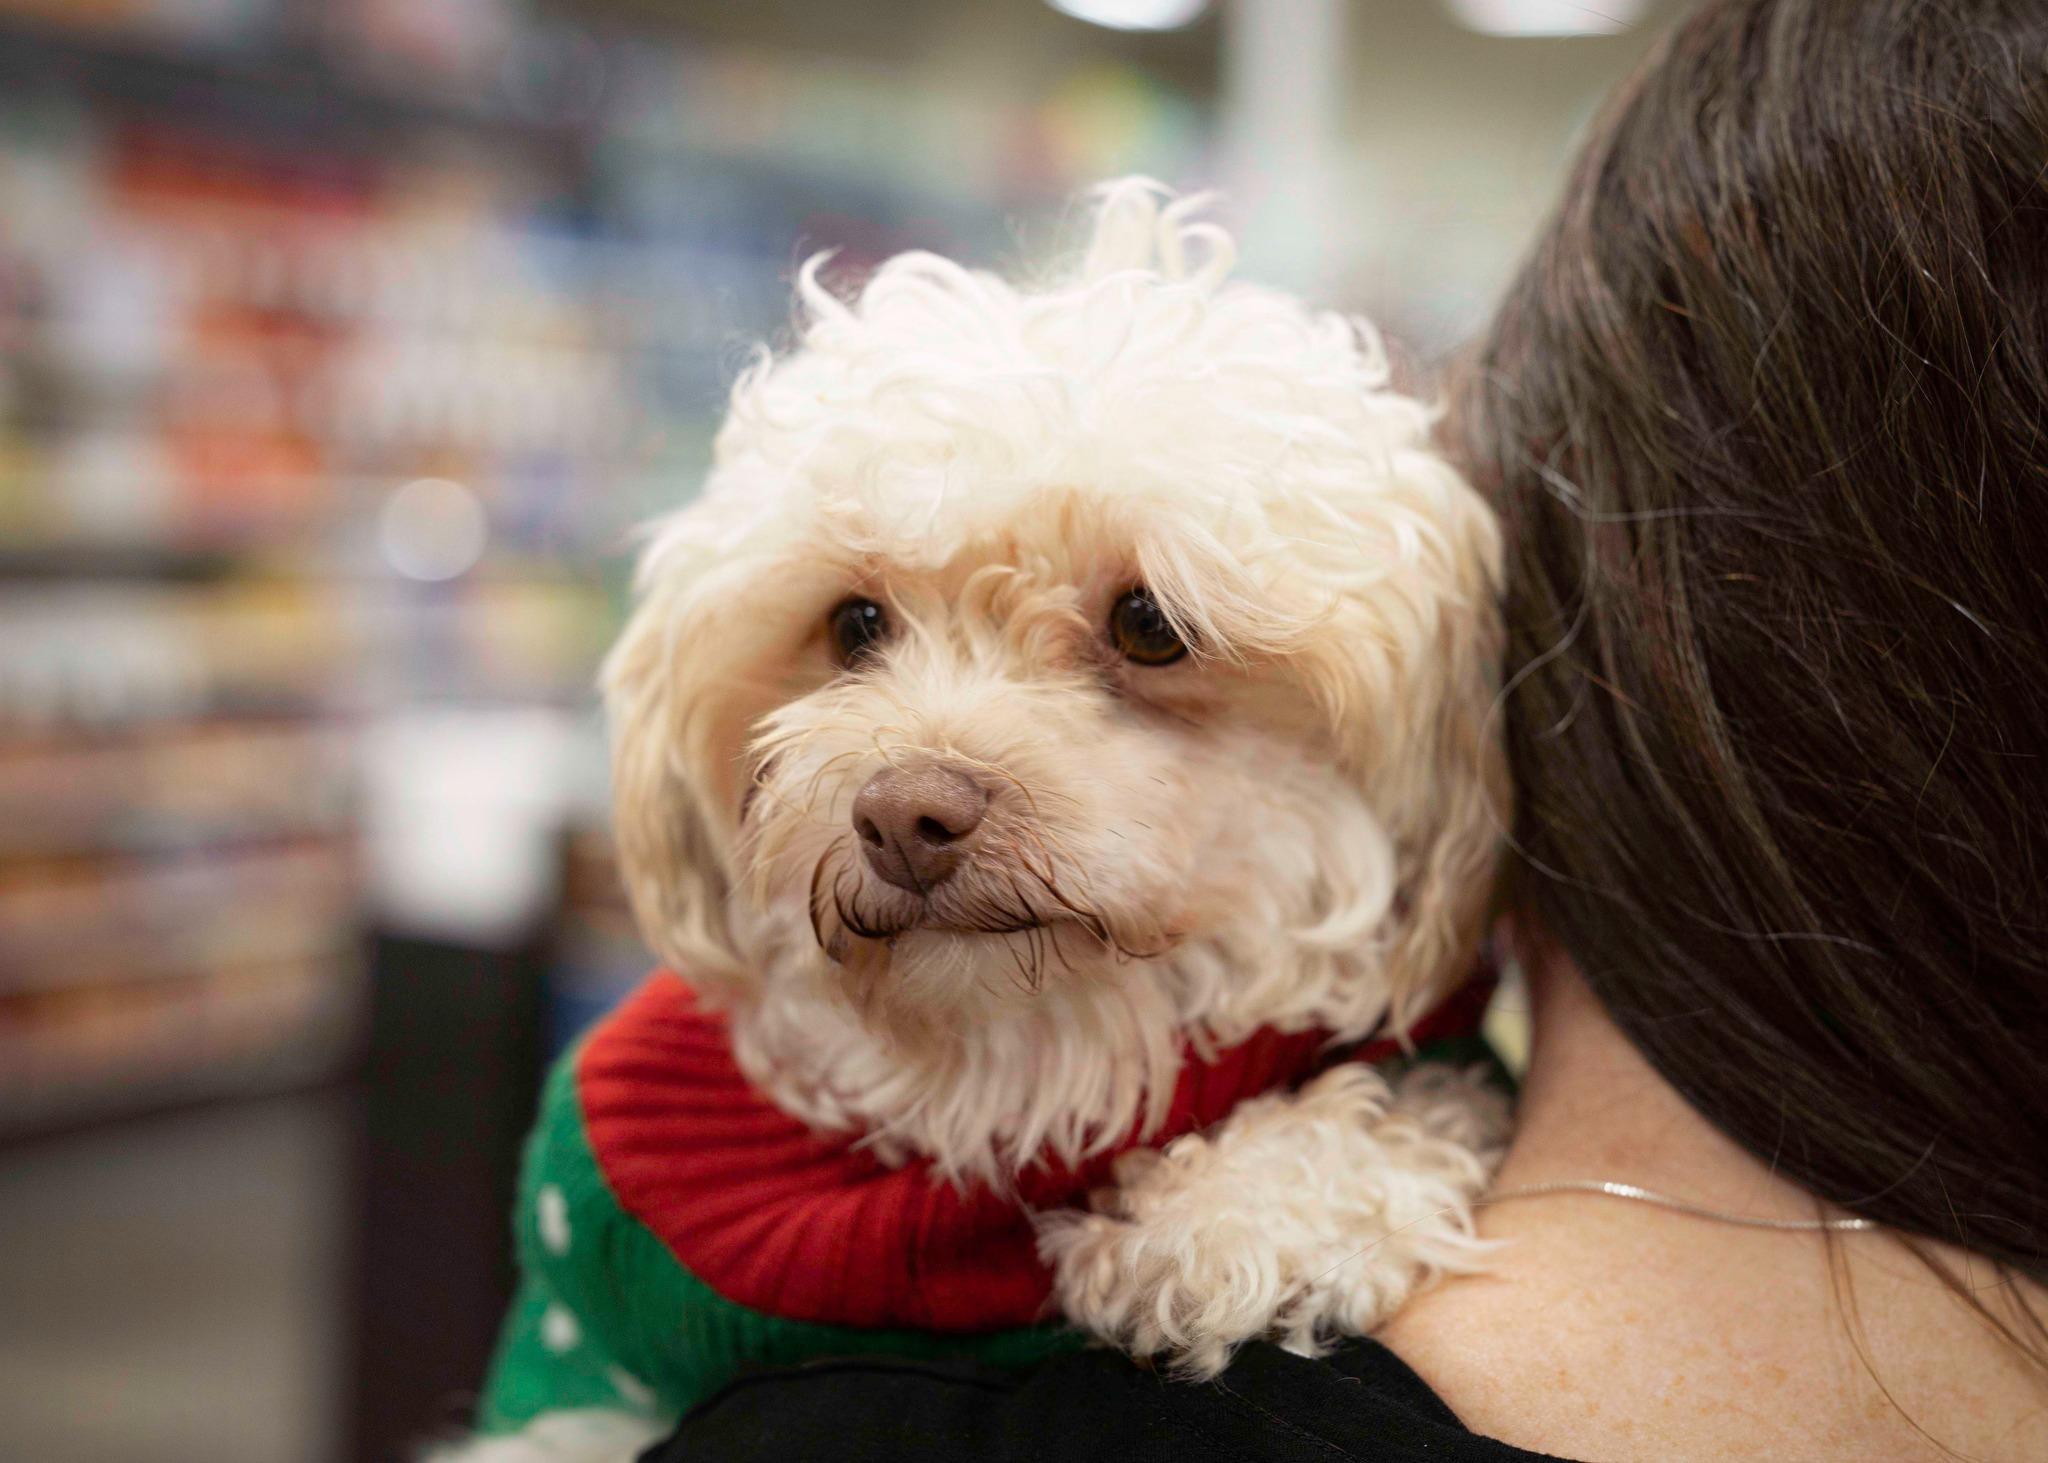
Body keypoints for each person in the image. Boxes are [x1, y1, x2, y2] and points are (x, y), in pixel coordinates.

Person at [642, 0, 2048, 1455]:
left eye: (1146, 636)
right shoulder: (652, 1130)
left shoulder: (1380, 1098)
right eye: (858, 631)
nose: (915, 780)